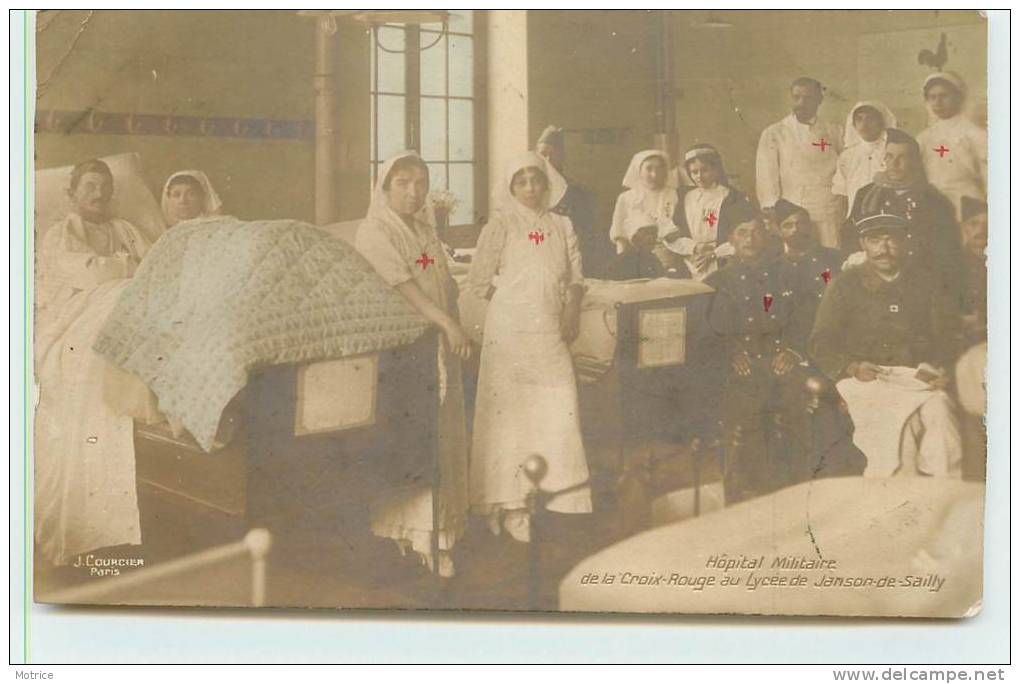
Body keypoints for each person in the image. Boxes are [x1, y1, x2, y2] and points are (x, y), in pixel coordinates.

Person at [354, 151, 471, 577]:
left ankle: (442, 530)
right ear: (385, 188)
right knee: (415, 440)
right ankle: (414, 535)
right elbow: (406, 290)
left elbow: (434, 276)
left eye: (420, 182)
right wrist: (448, 326)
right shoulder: (375, 231)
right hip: (404, 345)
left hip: (435, 337)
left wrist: (452, 321)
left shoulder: (423, 227)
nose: (413, 191)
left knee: (443, 433)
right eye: (403, 182)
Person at [467, 151, 591, 542]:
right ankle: (509, 503)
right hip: (509, 332)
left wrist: (570, 309)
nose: (530, 188)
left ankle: (557, 495)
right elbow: (478, 279)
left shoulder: (562, 224)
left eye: (535, 179)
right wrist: (514, 302)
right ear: (511, 187)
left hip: (550, 330)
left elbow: (575, 275)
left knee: (558, 406)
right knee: (510, 415)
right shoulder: (501, 224)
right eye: (521, 181)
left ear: (547, 181)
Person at [35, 159, 152, 566]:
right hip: (73, 319)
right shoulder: (61, 233)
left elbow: (154, 269)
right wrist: (125, 269)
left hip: (123, 304)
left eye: (103, 187)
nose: (98, 195)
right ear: (72, 193)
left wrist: (123, 269)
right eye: (89, 187)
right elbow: (89, 278)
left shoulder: (126, 230)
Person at [810, 212, 963, 478]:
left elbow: (947, 337)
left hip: (916, 377)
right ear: (863, 244)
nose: (884, 248)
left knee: (942, 417)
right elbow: (821, 342)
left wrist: (943, 368)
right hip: (866, 380)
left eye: (892, 239)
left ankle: (944, 502)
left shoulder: (926, 283)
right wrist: (852, 367)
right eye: (875, 240)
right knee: (900, 437)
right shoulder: (844, 285)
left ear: (905, 242)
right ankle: (896, 505)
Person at [704, 206, 813, 504]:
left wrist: (792, 350)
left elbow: (806, 318)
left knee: (794, 408)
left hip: (781, 360)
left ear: (766, 235)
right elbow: (708, 333)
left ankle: (793, 493)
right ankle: (743, 492)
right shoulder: (716, 282)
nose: (750, 238)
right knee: (743, 414)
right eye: (742, 232)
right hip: (740, 366)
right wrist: (731, 354)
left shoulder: (790, 274)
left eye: (756, 231)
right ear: (731, 238)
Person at [845, 128, 963, 298]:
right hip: (873, 278)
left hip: (917, 282)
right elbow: (849, 233)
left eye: (902, 157)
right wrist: (860, 257)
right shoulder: (866, 194)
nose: (894, 164)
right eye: (890, 156)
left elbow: (947, 252)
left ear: (915, 161)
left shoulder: (934, 201)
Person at [755, 76, 844, 248]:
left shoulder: (834, 130)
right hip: (792, 209)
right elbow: (766, 174)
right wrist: (772, 208)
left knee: (828, 261)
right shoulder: (775, 133)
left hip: (827, 208)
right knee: (796, 257)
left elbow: (845, 167)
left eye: (808, 98)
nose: (801, 103)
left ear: (820, 100)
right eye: (797, 97)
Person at [662, 143, 753, 280]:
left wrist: (714, 254)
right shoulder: (684, 198)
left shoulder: (732, 198)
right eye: (694, 172)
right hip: (691, 261)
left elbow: (744, 237)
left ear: (716, 169)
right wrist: (694, 247)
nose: (699, 176)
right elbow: (670, 235)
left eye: (705, 170)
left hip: (724, 261)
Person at [537, 125, 611, 277]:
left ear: (562, 156)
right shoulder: (530, 191)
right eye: (543, 154)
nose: (548, 159)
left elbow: (589, 234)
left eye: (553, 154)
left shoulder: (578, 193)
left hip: (573, 257)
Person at [773, 199, 844, 356]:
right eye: (788, 225)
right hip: (792, 347)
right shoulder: (773, 267)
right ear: (779, 231)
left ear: (810, 227)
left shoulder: (835, 258)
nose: (796, 230)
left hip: (833, 341)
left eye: (801, 223)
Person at [916, 72, 988, 220]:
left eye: (944, 96)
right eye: (932, 97)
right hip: (934, 204)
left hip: (969, 203)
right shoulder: (923, 138)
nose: (938, 102)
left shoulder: (975, 134)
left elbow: (988, 174)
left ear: (958, 97)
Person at [831, 101, 898, 217]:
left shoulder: (893, 151)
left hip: (888, 215)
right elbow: (841, 194)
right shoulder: (847, 156)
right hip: (856, 217)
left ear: (881, 123)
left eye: (870, 119)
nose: (864, 124)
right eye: (859, 119)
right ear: (854, 124)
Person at [609, 149, 680, 255]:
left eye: (659, 169)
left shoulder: (674, 195)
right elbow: (620, 235)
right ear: (639, 170)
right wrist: (623, 261)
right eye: (649, 169)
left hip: (672, 252)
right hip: (636, 256)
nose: (654, 174)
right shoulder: (626, 198)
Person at [607, 212, 672, 280]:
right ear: (635, 237)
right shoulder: (621, 261)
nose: (651, 237)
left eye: (654, 233)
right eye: (647, 233)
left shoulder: (654, 260)